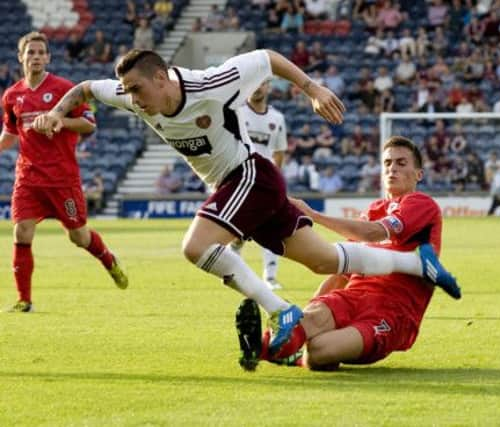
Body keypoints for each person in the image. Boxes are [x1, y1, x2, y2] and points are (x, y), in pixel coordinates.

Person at [33, 48, 459, 355]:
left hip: (249, 175)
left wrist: (310, 88)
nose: (132, 98)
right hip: (247, 184)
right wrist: (57, 112)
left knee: (196, 247)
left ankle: (281, 312)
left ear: (161, 78)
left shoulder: (209, 83)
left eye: (138, 88)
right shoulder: (132, 95)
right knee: (324, 261)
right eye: (127, 90)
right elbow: (86, 89)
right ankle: (414, 262)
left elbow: (268, 58)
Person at [235, 136, 461, 372]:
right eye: (387, 163)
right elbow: (342, 274)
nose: (392, 168)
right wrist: (309, 310)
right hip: (352, 297)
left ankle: (287, 352)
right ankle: (255, 349)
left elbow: (375, 233)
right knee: (306, 323)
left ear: (419, 174)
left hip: (392, 313)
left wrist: (315, 216)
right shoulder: (374, 210)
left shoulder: (421, 204)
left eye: (401, 163)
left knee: (319, 352)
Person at [0, 32, 128, 313]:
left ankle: (108, 259)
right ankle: (25, 300)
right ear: (21, 57)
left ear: (48, 58)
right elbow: (10, 134)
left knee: (78, 237)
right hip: (28, 179)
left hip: (62, 179)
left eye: (40, 53)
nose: (35, 57)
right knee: (21, 232)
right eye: (30, 52)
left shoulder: (65, 89)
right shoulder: (12, 96)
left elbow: (89, 124)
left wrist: (60, 120)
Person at [231, 79, 288, 290]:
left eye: (262, 84)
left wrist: (275, 177)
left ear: (268, 87)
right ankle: (232, 269)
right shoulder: (237, 111)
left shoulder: (277, 118)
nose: (257, 87)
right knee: (237, 233)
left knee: (272, 230)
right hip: (239, 178)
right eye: (253, 84)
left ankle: (270, 277)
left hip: (264, 182)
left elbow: (280, 151)